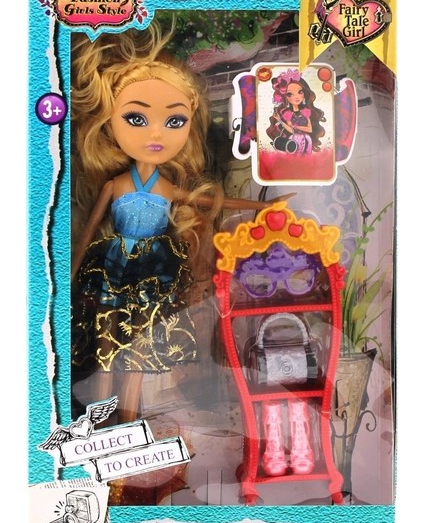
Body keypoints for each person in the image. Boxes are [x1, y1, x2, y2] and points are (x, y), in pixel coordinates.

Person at [70, 24, 280, 425]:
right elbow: (87, 234)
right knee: (105, 347)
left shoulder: (166, 186)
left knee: (138, 349)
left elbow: (207, 201)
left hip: (152, 269)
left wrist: (263, 204)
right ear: (108, 120)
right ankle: (97, 423)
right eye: (135, 117)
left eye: (174, 121)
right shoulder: (116, 184)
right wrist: (69, 274)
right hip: (113, 265)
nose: (156, 133)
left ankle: (128, 422)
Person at [266, 69, 326, 156]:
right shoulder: (288, 114)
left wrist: (295, 127)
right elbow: (291, 130)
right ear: (285, 97)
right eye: (290, 94)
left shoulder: (305, 112)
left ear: (304, 94)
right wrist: (280, 121)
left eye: (300, 92)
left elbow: (309, 129)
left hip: (306, 140)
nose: (296, 97)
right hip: (293, 140)